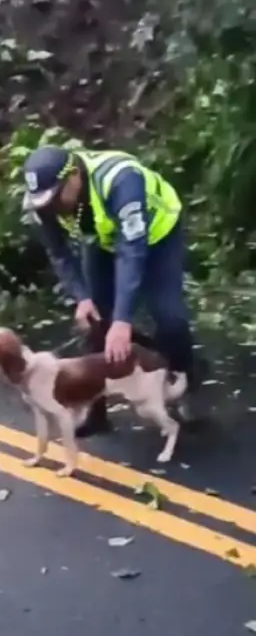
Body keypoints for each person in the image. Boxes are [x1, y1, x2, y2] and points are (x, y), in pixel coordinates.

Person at [21, 144, 199, 436]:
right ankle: (96, 410)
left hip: (156, 235)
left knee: (170, 317)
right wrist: (83, 298)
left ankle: (182, 386)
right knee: (95, 322)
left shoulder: (121, 179)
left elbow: (133, 250)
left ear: (75, 175)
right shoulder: (44, 199)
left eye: (55, 199)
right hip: (103, 240)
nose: (51, 207)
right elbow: (59, 253)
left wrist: (122, 321)